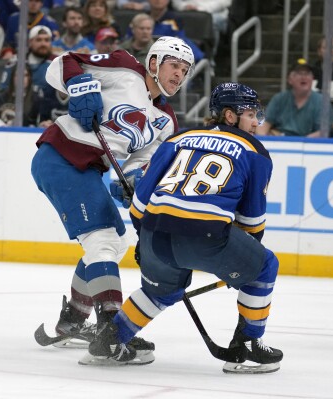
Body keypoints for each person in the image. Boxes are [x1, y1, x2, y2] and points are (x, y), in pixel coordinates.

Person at [83, 82, 284, 374]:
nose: (256, 122)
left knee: (159, 291)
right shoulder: (255, 151)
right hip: (207, 236)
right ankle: (247, 345)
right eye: (251, 113)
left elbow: (140, 201)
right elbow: (252, 220)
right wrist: (244, 263)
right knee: (265, 267)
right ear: (229, 116)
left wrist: (146, 241)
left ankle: (109, 342)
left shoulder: (178, 138)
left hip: (155, 230)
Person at [30, 36, 194, 354]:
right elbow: (61, 62)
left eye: (185, 70)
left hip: (89, 170)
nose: (179, 75)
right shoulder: (124, 68)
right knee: (102, 241)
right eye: (174, 65)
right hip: (60, 155)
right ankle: (111, 329)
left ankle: (73, 320)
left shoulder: (166, 122)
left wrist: (132, 185)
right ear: (154, 63)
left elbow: (136, 166)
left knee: (115, 243)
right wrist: (79, 84)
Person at [257, 59, 330, 137]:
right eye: (299, 73)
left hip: (311, 145)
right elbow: (262, 125)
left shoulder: (322, 101)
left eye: (307, 73)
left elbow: (323, 132)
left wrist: (300, 143)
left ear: (313, 79)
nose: (304, 77)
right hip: (280, 142)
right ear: (289, 79)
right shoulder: (279, 99)